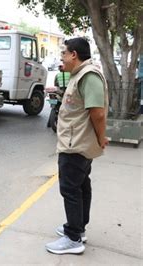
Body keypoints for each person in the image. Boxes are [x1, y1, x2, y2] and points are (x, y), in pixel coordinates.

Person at [45, 37, 109, 255]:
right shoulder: (79, 74)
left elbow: (97, 113)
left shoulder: (88, 76)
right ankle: (78, 229)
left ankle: (73, 238)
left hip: (76, 144)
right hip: (77, 140)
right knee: (80, 185)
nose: (61, 56)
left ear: (74, 54)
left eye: (64, 53)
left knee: (70, 189)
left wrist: (102, 138)